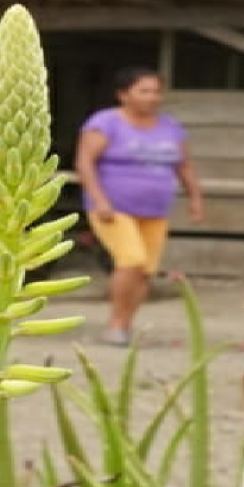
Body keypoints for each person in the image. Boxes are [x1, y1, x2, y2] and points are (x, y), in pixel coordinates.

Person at [74, 66, 203, 346]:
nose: (152, 97)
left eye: (156, 91)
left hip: (155, 210)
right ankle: (115, 325)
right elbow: (85, 162)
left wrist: (195, 197)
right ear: (123, 94)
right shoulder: (106, 123)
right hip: (113, 208)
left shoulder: (170, 127)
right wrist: (99, 199)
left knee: (145, 270)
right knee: (131, 260)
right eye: (144, 91)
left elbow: (184, 165)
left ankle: (126, 326)